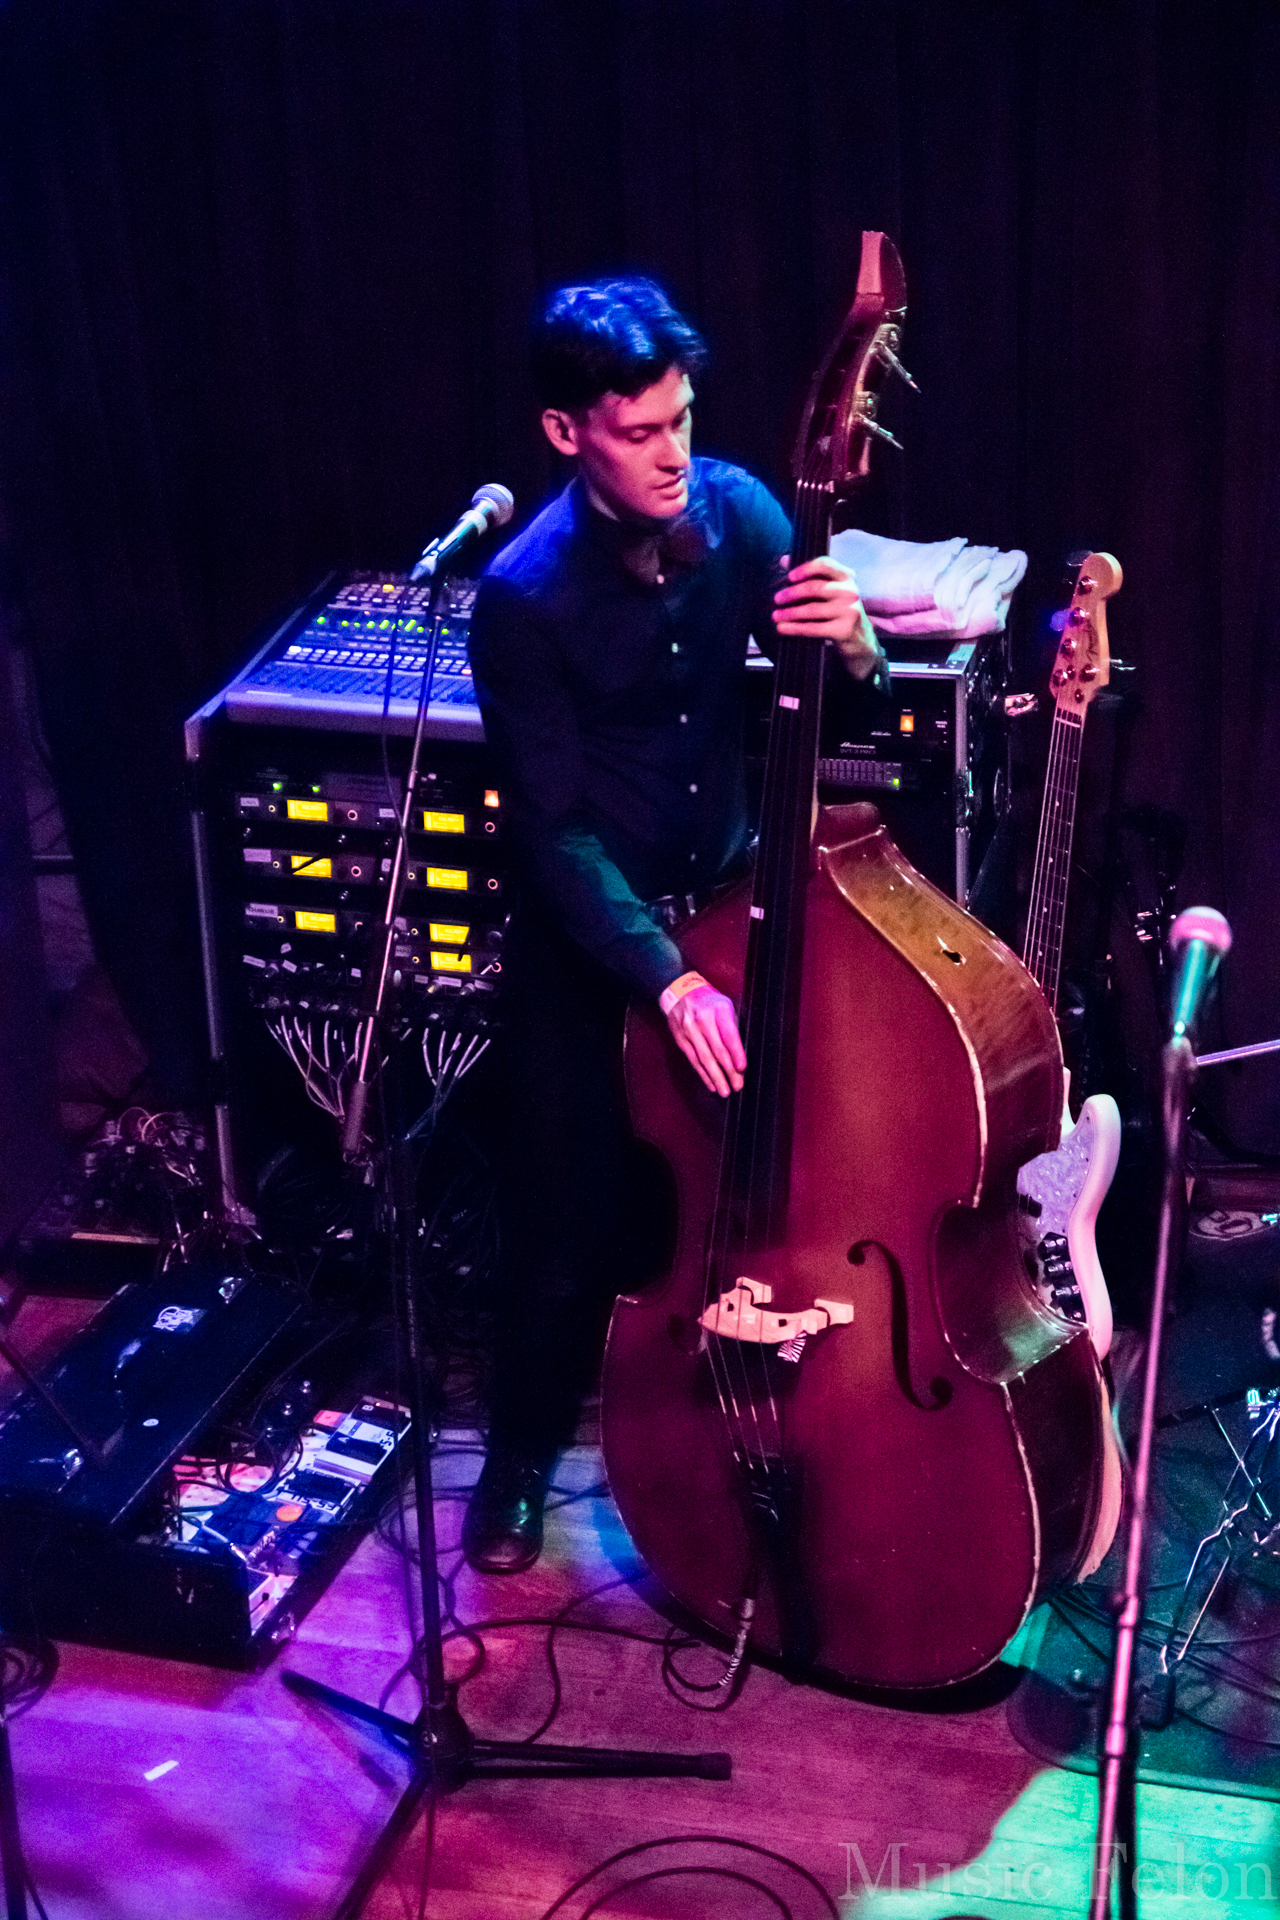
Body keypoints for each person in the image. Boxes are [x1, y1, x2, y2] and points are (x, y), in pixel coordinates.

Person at [463, 277, 888, 1572]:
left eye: (683, 420)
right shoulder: (523, 597)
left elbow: (840, 706)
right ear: (565, 433)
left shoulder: (742, 511)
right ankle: (521, 1457)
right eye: (641, 432)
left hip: (727, 912)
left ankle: (743, 1428)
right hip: (592, 948)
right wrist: (667, 980)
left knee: (756, 1184)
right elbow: (555, 833)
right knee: (566, 1222)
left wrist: (856, 646)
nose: (674, 454)